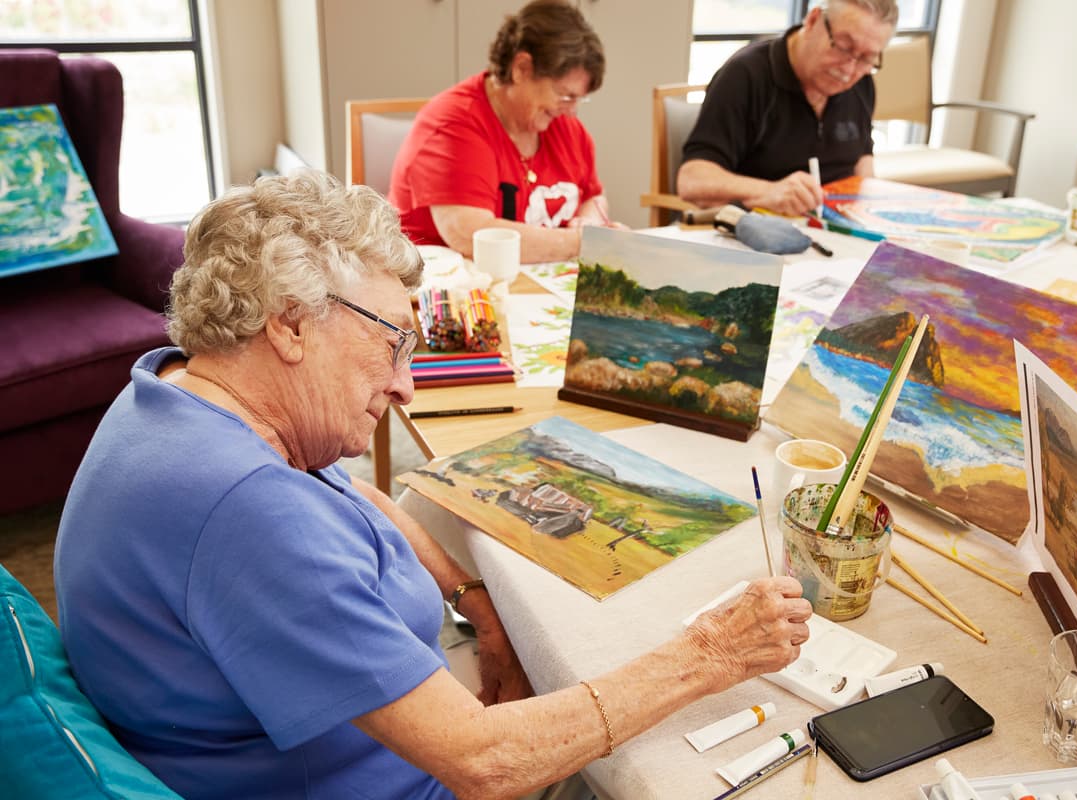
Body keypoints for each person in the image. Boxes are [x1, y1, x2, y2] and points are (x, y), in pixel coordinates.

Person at [54, 169, 814, 800]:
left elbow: (352, 493)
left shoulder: (181, 392)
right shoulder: (246, 516)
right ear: (288, 326)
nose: (406, 386)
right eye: (393, 345)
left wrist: (474, 601)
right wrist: (709, 653)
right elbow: (484, 761)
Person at [388, 0, 621, 264]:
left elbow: (593, 195)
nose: (571, 111)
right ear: (522, 68)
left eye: (579, 99)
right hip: (443, 291)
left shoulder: (564, 127)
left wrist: (589, 219)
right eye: (565, 95)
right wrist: (584, 243)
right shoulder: (452, 123)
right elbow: (470, 234)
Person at [677, 0, 898, 217]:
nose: (849, 69)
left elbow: (863, 164)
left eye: (866, 58)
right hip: (756, 228)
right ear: (813, 20)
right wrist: (768, 191)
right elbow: (693, 180)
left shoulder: (862, 83)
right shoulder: (746, 75)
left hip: (835, 230)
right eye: (843, 47)